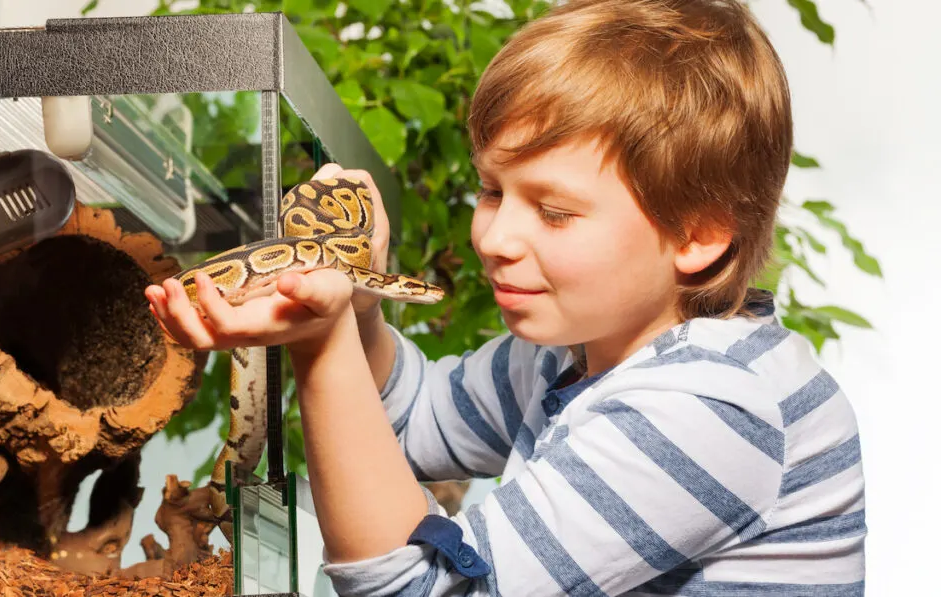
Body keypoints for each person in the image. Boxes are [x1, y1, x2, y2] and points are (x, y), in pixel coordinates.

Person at [144, 0, 867, 594]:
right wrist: (358, 305)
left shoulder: (710, 406)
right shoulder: (571, 351)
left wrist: (323, 338)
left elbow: (420, 589)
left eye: (553, 210)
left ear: (699, 233)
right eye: (493, 190)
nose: (493, 236)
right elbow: (415, 422)